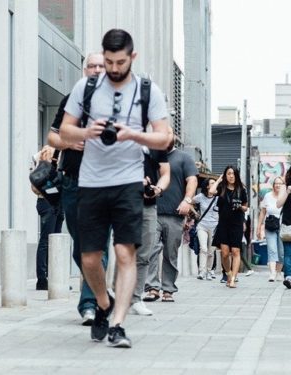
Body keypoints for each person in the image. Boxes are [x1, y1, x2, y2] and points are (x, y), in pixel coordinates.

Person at [59, 29, 173, 348]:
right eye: (108, 61)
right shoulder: (87, 86)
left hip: (128, 181)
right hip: (91, 182)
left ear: (132, 57)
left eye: (120, 62)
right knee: (90, 259)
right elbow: (63, 132)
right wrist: (86, 131)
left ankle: (118, 324)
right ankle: (103, 303)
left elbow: (165, 138)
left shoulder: (148, 90)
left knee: (125, 252)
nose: (113, 68)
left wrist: (133, 135)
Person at [48, 51, 106, 325]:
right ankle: (98, 290)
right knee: (80, 246)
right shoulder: (71, 101)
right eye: (90, 66)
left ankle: (89, 304)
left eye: (100, 66)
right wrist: (69, 143)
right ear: (85, 70)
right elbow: (52, 136)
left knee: (97, 246)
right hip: (72, 181)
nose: (95, 70)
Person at [143, 144, 198, 302]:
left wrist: (187, 200)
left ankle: (168, 289)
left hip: (175, 214)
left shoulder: (184, 158)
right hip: (152, 211)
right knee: (151, 250)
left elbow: (192, 180)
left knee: (170, 253)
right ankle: (152, 288)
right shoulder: (150, 155)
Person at [128, 145, 170, 316]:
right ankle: (118, 297)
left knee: (145, 253)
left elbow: (166, 173)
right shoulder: (121, 136)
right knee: (124, 251)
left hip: (148, 206)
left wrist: (157, 189)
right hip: (124, 202)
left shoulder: (154, 143)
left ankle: (136, 299)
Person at [31, 145, 65, 291]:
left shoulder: (64, 153)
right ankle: (42, 280)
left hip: (56, 202)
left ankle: (54, 279)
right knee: (46, 241)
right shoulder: (44, 154)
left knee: (55, 242)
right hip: (47, 202)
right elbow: (36, 184)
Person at [210, 166, 249, 288]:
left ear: (236, 175)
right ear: (225, 175)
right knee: (225, 253)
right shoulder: (221, 188)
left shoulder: (241, 189)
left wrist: (240, 207)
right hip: (223, 224)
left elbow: (246, 207)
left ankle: (233, 279)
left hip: (236, 223)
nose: (231, 176)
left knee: (236, 251)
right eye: (228, 174)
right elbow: (211, 191)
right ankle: (228, 273)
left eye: (233, 174)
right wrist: (219, 179)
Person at [257, 177, 285, 282]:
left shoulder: (285, 197)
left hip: (283, 227)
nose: (278, 185)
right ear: (273, 185)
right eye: (276, 183)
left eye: (280, 184)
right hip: (270, 226)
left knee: (281, 252)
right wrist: (259, 227)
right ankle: (272, 273)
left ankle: (279, 272)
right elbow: (263, 212)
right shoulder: (268, 196)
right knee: (272, 249)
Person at [195, 178, 219, 280]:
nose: (215, 185)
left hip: (214, 227)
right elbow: (189, 201)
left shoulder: (218, 198)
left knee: (211, 251)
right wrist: (195, 213)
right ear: (208, 186)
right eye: (212, 183)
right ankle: (201, 271)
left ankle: (209, 271)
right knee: (203, 249)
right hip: (202, 226)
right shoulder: (201, 197)